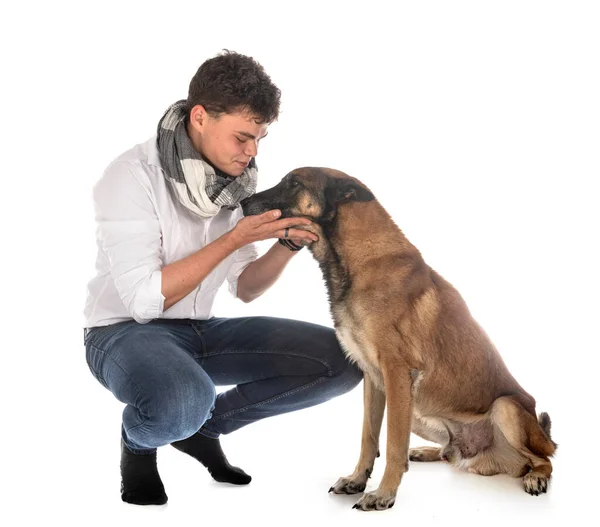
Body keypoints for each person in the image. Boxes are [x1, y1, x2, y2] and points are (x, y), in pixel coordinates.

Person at [83, 50, 363, 506]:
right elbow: (142, 301)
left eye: (260, 138)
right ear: (199, 117)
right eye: (243, 137)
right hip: (121, 334)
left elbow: (246, 288)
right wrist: (231, 240)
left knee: (343, 360)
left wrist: (286, 245)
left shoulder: (234, 185)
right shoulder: (129, 177)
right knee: (181, 398)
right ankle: (141, 440)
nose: (252, 152)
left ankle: (199, 428)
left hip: (198, 333)